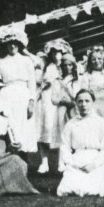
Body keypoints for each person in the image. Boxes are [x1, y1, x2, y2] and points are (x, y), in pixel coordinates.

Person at [57, 89, 104, 197]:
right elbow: (65, 147)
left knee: (92, 191)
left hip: (95, 160)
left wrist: (93, 165)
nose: (84, 104)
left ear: (93, 102)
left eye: (87, 101)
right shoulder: (71, 124)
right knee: (65, 189)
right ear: (76, 103)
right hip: (76, 159)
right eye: (80, 101)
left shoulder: (101, 122)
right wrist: (71, 163)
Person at [0, 28, 38, 154]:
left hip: (23, 96)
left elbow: (32, 83)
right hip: (6, 96)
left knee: (24, 127)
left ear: (19, 44)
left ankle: (24, 160)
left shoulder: (27, 61)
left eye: (15, 43)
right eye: (9, 43)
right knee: (10, 126)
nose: (12, 46)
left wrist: (31, 102)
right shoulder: (0, 62)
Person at [35, 40, 69, 174]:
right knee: (46, 127)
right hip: (47, 100)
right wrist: (45, 82)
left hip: (61, 99)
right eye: (54, 53)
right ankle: (44, 162)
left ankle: (61, 161)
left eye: (59, 53)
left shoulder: (66, 67)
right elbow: (41, 82)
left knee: (62, 127)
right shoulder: (47, 67)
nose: (57, 55)